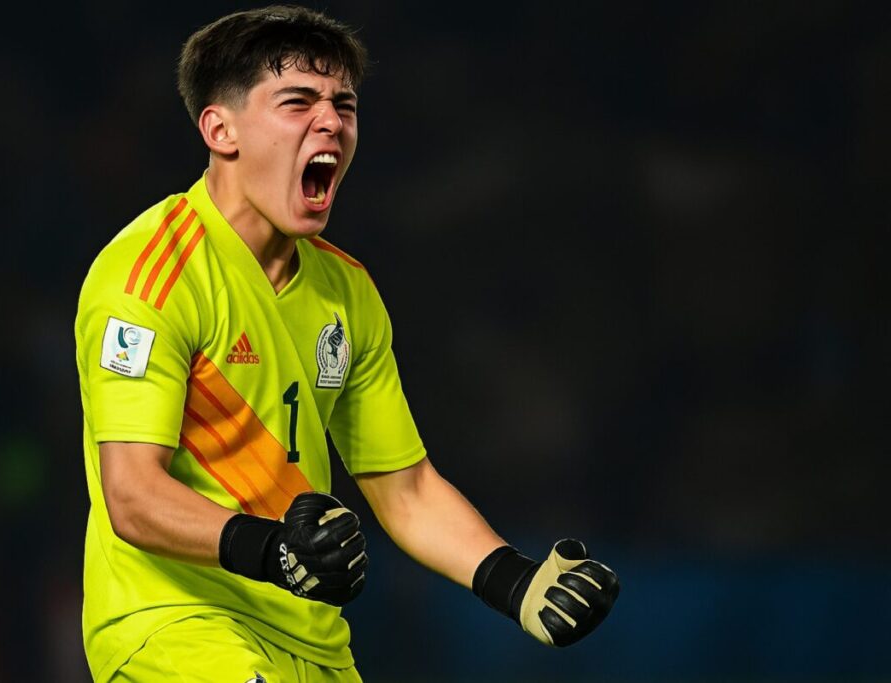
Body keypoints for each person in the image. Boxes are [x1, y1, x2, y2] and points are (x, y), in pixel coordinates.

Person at [75, 6, 619, 682]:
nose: (330, 121)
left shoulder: (347, 290)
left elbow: (407, 489)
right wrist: (272, 547)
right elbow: (132, 495)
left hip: (313, 641)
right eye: (298, 101)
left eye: (343, 104)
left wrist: (515, 582)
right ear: (221, 128)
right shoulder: (152, 275)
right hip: (177, 628)